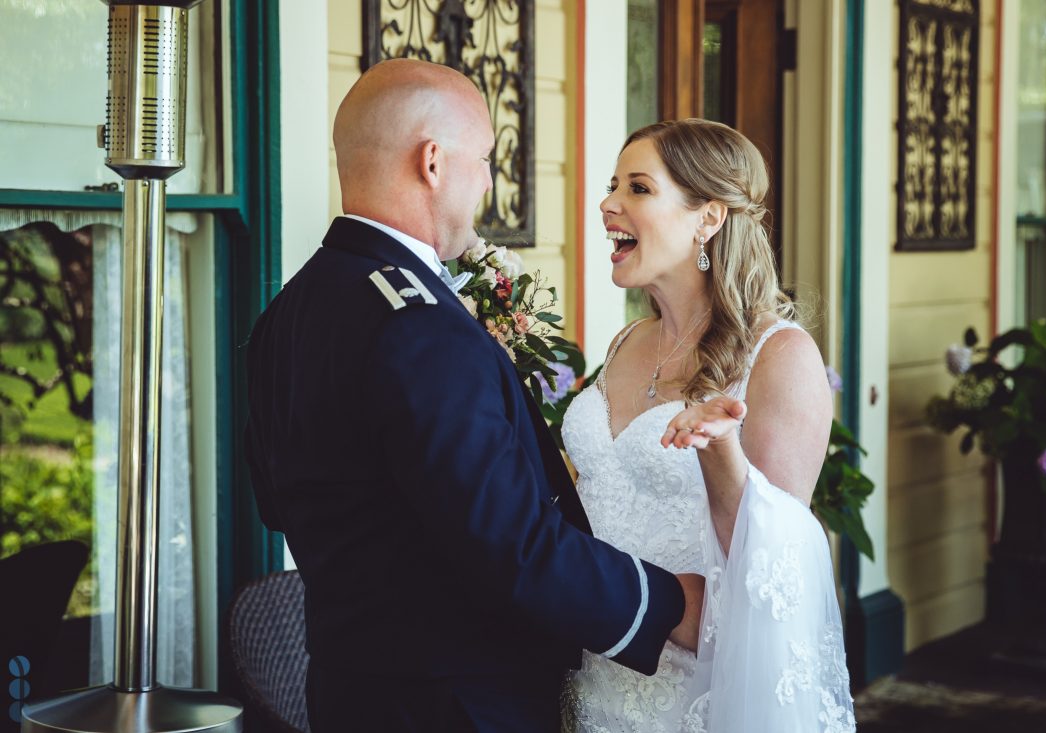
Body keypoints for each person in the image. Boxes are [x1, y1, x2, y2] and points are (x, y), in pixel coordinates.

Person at [244, 59, 705, 733]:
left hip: (344, 687)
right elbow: (512, 544)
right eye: (486, 159)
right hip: (456, 701)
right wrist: (666, 603)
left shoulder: (286, 312)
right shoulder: (420, 325)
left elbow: (275, 503)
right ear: (433, 163)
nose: (489, 182)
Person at [560, 119, 856, 732]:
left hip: (695, 692)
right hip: (587, 676)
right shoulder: (627, 342)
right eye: (613, 184)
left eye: (638, 188)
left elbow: (774, 575)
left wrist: (720, 453)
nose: (608, 203)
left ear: (708, 218)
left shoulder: (780, 356)